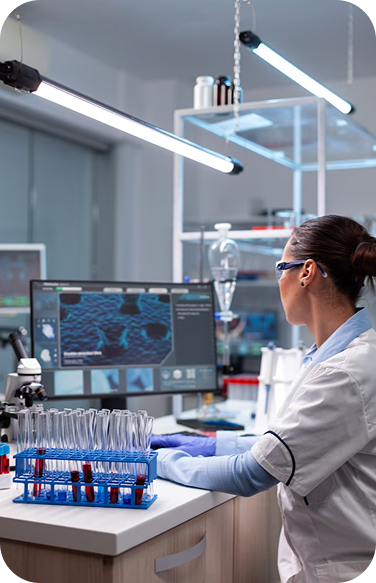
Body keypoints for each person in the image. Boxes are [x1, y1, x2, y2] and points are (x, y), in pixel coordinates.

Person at [152, 215, 376, 583]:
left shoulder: (347, 371)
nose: (279, 283)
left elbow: (251, 473)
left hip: (342, 569)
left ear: (306, 272)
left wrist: (156, 461)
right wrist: (197, 444)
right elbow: (282, 446)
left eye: (279, 269)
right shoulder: (333, 355)